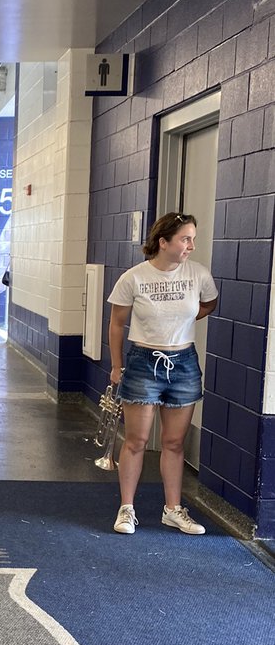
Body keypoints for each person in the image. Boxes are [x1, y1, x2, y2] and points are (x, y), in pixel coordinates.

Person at [107, 211, 217, 536]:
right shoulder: (134, 278)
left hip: (183, 362)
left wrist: (182, 322)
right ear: (163, 241)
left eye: (192, 239)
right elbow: (116, 323)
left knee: (173, 442)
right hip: (143, 361)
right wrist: (116, 366)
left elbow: (209, 303)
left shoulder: (198, 275)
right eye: (185, 239)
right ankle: (126, 509)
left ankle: (173, 509)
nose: (191, 246)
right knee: (137, 440)